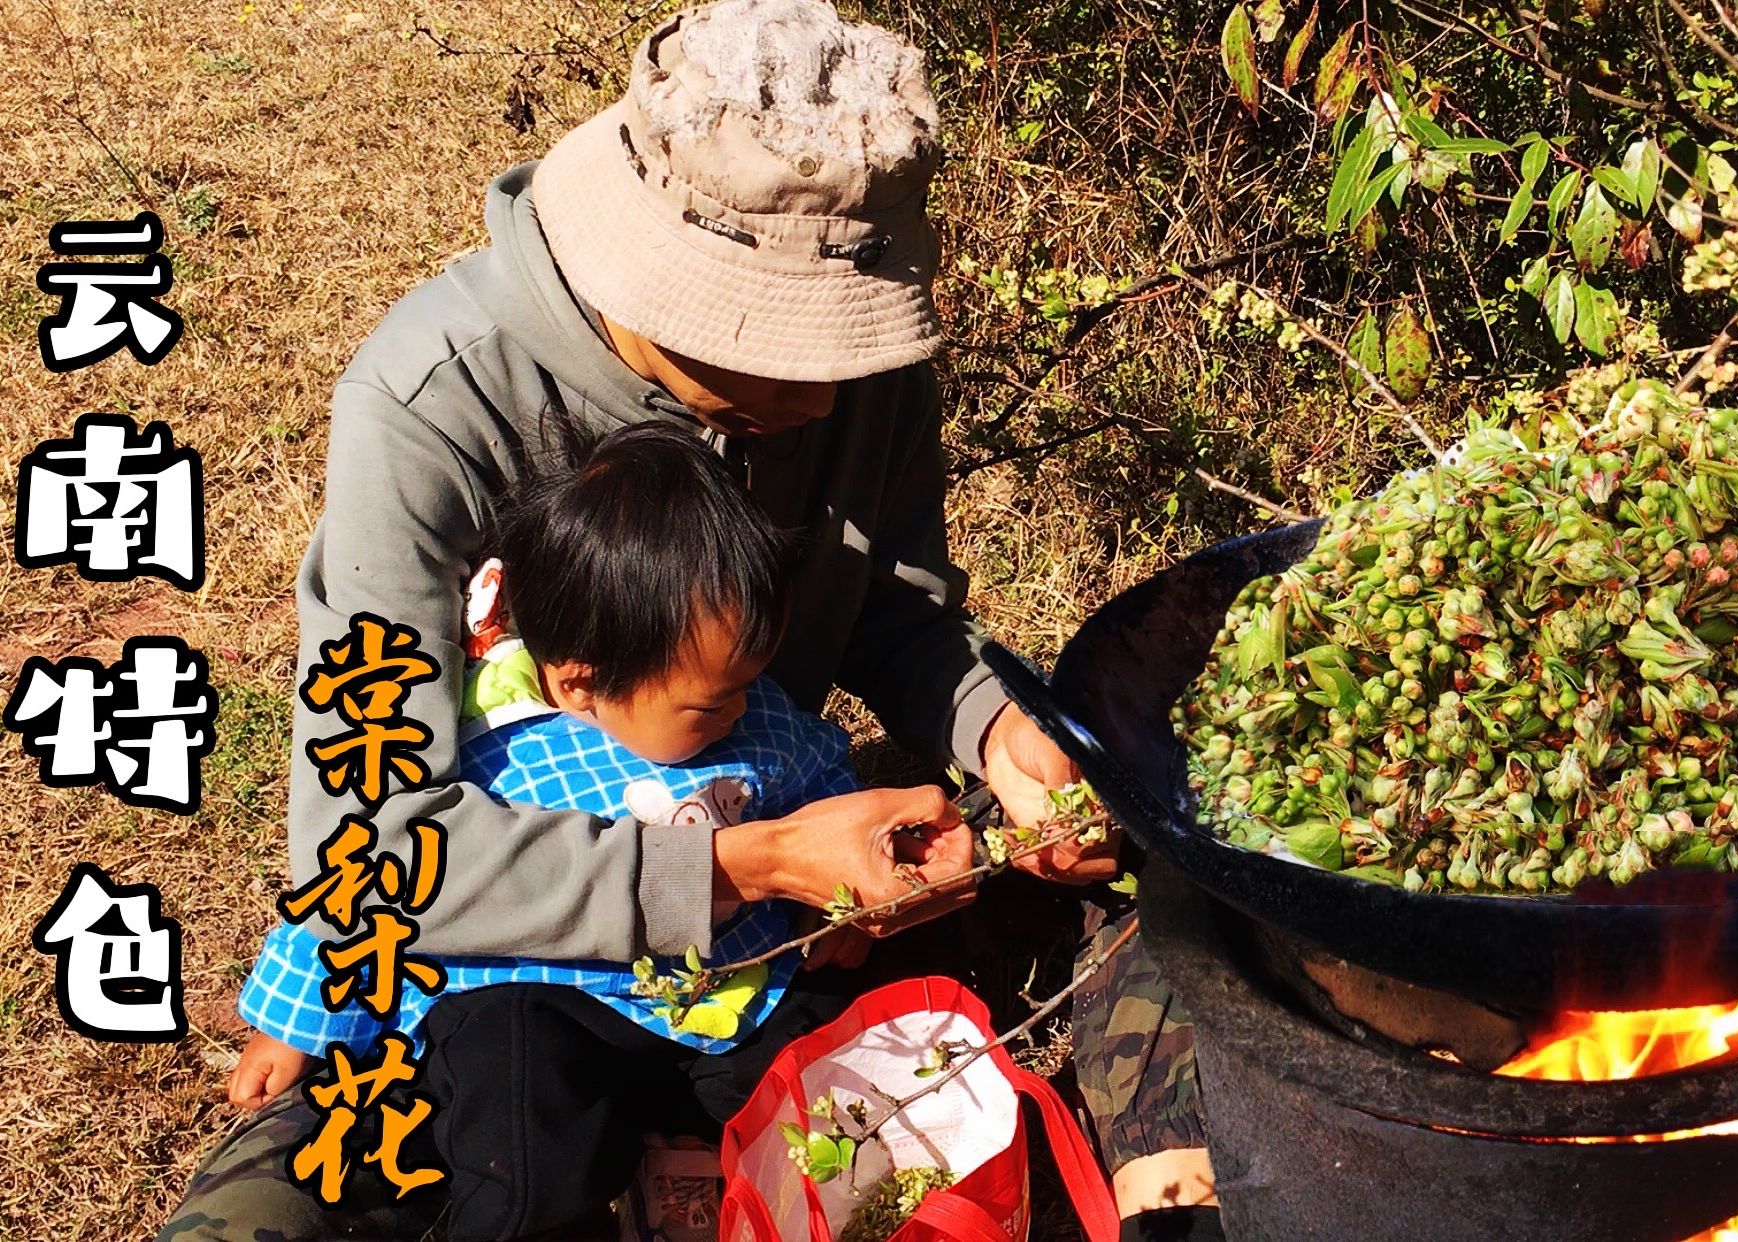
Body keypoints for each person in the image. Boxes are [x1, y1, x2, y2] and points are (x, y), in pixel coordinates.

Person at [154, 2, 1212, 1239]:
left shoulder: (855, 385)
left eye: (846, 345)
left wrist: (999, 739)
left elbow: (897, 613)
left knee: (1180, 856)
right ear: (645, 280)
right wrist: (742, 867)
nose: (823, 392)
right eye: (774, 345)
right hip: (508, 948)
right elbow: (371, 846)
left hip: (760, 849)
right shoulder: (429, 410)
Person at [226, 421, 966, 1240]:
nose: (739, 712)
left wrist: (835, 905)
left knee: (828, 1051)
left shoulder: (755, 720)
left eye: (749, 684)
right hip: (549, 1007)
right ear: (580, 685)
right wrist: (293, 1026)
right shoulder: (489, 741)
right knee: (511, 1095)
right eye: (709, 703)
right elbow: (367, 876)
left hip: (729, 994)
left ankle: (833, 1195)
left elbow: (821, 788)